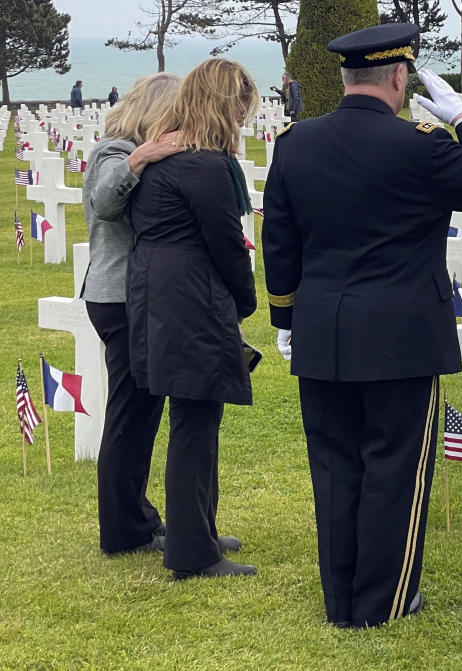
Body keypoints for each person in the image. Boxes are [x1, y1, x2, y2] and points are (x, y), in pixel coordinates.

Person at [262, 22, 462, 628]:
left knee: (334, 467)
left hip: (322, 328)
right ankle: (383, 602)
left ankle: (340, 600)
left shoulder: (295, 144)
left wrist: (285, 318)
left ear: (346, 77)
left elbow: (279, 242)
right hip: (402, 335)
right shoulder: (423, 146)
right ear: (401, 77)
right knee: (395, 468)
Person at [127, 58, 259, 580]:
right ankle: (191, 553)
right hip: (190, 300)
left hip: (161, 294)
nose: (245, 119)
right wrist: (246, 301)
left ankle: (195, 531)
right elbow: (227, 244)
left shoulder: (164, 156)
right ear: (224, 106)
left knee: (194, 419)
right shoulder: (203, 166)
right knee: (194, 423)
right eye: (241, 108)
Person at [82, 73, 184, 557]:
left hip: (132, 295)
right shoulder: (115, 150)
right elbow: (105, 202)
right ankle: (123, 531)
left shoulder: (131, 148)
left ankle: (138, 518)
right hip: (118, 295)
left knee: (141, 411)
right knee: (129, 413)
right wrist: (140, 157)